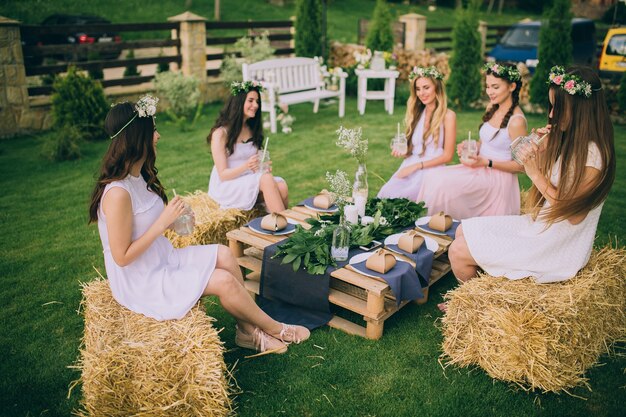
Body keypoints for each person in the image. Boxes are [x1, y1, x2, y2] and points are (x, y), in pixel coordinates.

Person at [88, 95, 310, 354]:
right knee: (223, 281)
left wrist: (180, 221)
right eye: (154, 130)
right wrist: (162, 223)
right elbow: (122, 257)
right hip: (143, 280)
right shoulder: (117, 193)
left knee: (225, 253)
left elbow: (159, 226)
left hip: (163, 259)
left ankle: (247, 331)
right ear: (139, 136)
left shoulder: (140, 177)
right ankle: (276, 329)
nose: (158, 136)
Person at [449, 65, 615, 284]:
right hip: (540, 227)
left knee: (458, 251)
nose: (552, 115)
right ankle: (484, 294)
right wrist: (542, 150)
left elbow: (574, 215)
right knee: (463, 229)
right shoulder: (570, 141)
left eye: (558, 108)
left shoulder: (593, 157)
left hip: (556, 246)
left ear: (581, 110)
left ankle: (472, 307)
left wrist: (534, 173)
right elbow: (550, 182)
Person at [416, 62, 527, 219]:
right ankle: (431, 224)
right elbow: (488, 143)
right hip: (480, 169)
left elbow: (521, 166)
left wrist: (486, 162)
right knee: (432, 176)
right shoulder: (491, 107)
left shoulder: (517, 122)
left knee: (442, 183)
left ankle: (441, 225)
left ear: (512, 87)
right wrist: (472, 145)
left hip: (498, 181)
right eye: (488, 87)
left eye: (495, 87)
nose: (490, 92)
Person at [377, 66, 456, 200]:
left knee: (406, 200)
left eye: (426, 87)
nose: (421, 93)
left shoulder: (448, 116)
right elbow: (414, 148)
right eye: (418, 89)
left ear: (437, 87)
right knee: (385, 194)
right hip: (409, 166)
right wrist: (404, 151)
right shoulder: (417, 113)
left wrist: (416, 166)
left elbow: (448, 156)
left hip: (431, 170)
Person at [208, 81, 288, 213]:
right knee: (267, 179)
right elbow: (223, 175)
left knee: (282, 186)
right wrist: (247, 166)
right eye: (250, 100)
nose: (255, 105)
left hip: (248, 178)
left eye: (257, 101)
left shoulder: (251, 129)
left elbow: (256, 163)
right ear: (239, 103)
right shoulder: (220, 133)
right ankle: (284, 225)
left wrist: (262, 166)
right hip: (227, 184)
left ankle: (277, 225)